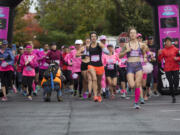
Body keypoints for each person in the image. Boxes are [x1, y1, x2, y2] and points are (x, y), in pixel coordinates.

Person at [120, 27, 147, 109]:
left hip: (138, 66)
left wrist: (145, 57)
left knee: (138, 84)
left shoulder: (141, 45)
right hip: (130, 66)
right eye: (131, 33)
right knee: (132, 85)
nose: (132, 34)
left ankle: (136, 102)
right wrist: (126, 51)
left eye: (134, 33)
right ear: (129, 35)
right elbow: (119, 56)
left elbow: (144, 53)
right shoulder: (126, 45)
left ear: (136, 34)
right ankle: (131, 89)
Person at [158, 37, 180, 103]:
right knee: (170, 82)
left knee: (176, 81)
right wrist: (159, 54)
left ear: (171, 42)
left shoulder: (176, 49)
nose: (168, 42)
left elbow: (179, 57)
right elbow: (159, 60)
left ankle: (175, 89)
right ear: (165, 43)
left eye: (169, 41)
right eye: (166, 41)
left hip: (175, 67)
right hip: (167, 69)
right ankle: (173, 97)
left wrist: (177, 58)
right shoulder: (163, 50)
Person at [88, 31, 107, 102]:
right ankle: (95, 95)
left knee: (99, 82)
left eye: (94, 36)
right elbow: (83, 53)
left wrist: (104, 49)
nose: (93, 37)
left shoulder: (99, 44)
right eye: (92, 36)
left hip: (100, 66)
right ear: (90, 38)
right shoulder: (88, 46)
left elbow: (106, 51)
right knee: (94, 79)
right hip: (91, 65)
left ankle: (99, 93)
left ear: (96, 38)